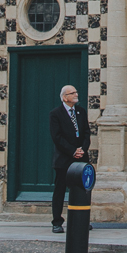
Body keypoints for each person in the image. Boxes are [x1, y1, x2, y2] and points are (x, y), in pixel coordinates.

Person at [48, 83, 87, 233]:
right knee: (59, 190)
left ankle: (81, 220)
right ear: (65, 97)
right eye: (72, 93)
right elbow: (57, 137)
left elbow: (87, 133)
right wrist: (72, 151)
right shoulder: (56, 114)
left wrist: (82, 150)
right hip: (64, 158)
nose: (76, 95)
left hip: (80, 158)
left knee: (81, 190)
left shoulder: (81, 112)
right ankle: (57, 221)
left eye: (76, 92)